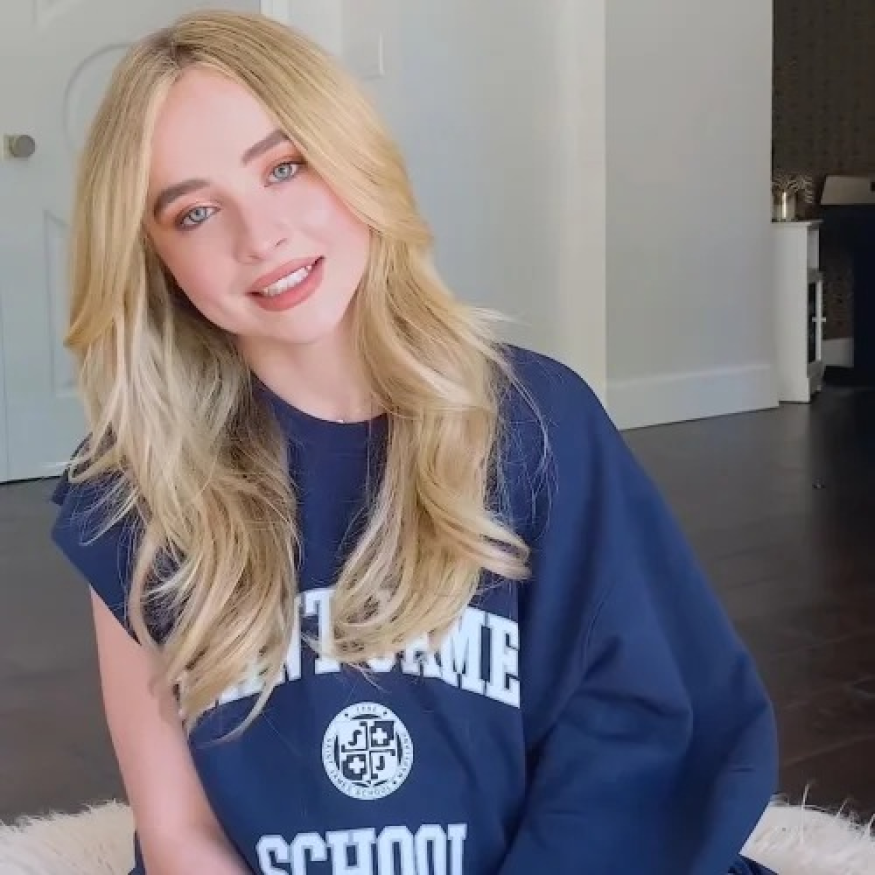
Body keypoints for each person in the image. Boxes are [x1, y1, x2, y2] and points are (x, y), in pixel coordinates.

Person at [50, 9, 779, 875]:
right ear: (153, 257)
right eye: (196, 211)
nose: (262, 237)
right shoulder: (133, 485)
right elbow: (178, 833)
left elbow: (634, 739)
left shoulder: (534, 421)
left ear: (351, 155)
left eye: (284, 167)